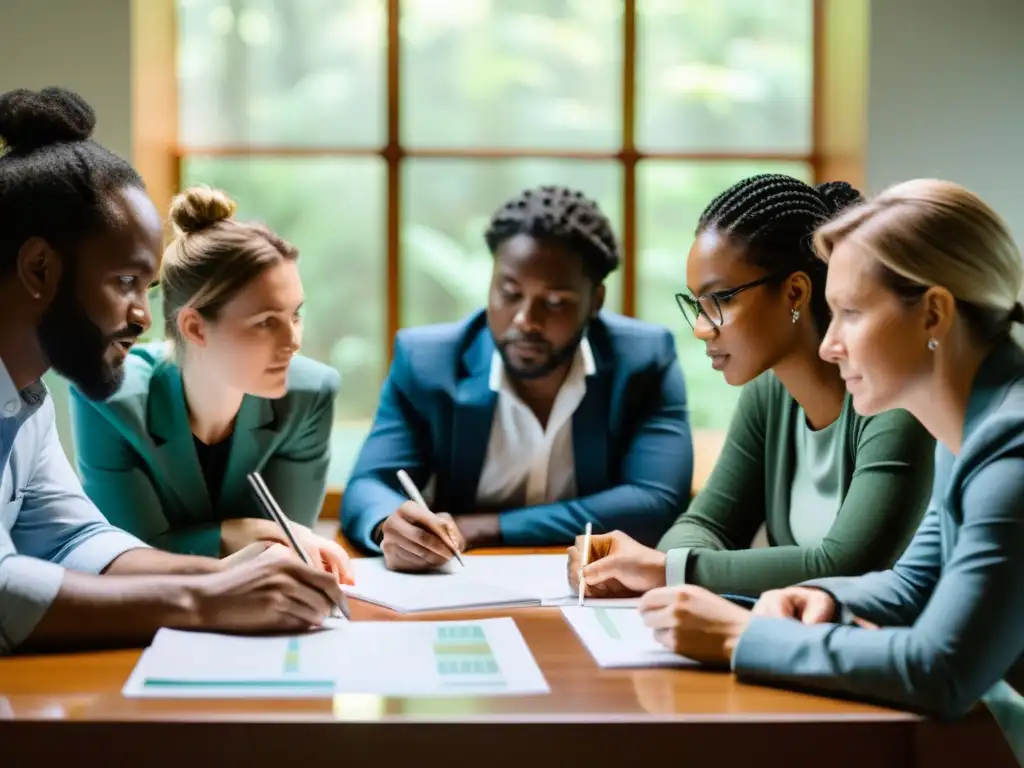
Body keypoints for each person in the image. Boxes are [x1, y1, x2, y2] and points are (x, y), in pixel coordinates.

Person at [635, 179, 1024, 763]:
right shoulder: (970, 431)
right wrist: (815, 598)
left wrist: (738, 636)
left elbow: (943, 670)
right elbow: (912, 584)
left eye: (849, 313)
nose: (829, 344)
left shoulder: (1010, 449)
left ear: (934, 314)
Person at [0, 86, 342, 655]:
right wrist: (205, 602)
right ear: (40, 267)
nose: (141, 315)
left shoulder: (25, 399)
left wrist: (226, 574)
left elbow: (74, 540)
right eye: (125, 283)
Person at [569, 174, 935, 600]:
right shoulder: (769, 393)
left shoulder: (894, 400)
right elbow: (705, 525)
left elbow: (846, 565)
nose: (702, 329)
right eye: (696, 306)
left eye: (720, 300)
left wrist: (665, 569)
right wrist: (657, 569)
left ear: (795, 292)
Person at [342, 185, 693, 570]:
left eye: (555, 302)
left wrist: (484, 527)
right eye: (509, 293)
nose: (526, 320)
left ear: (595, 301)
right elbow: (368, 487)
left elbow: (653, 502)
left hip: (588, 585)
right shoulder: (428, 362)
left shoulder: (642, 360)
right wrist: (388, 525)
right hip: (460, 584)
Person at [69, 185, 352, 581]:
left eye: (295, 315)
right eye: (266, 321)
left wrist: (252, 542)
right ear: (195, 327)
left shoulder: (310, 393)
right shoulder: (109, 395)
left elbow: (286, 547)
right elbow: (129, 556)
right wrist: (241, 532)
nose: (293, 341)